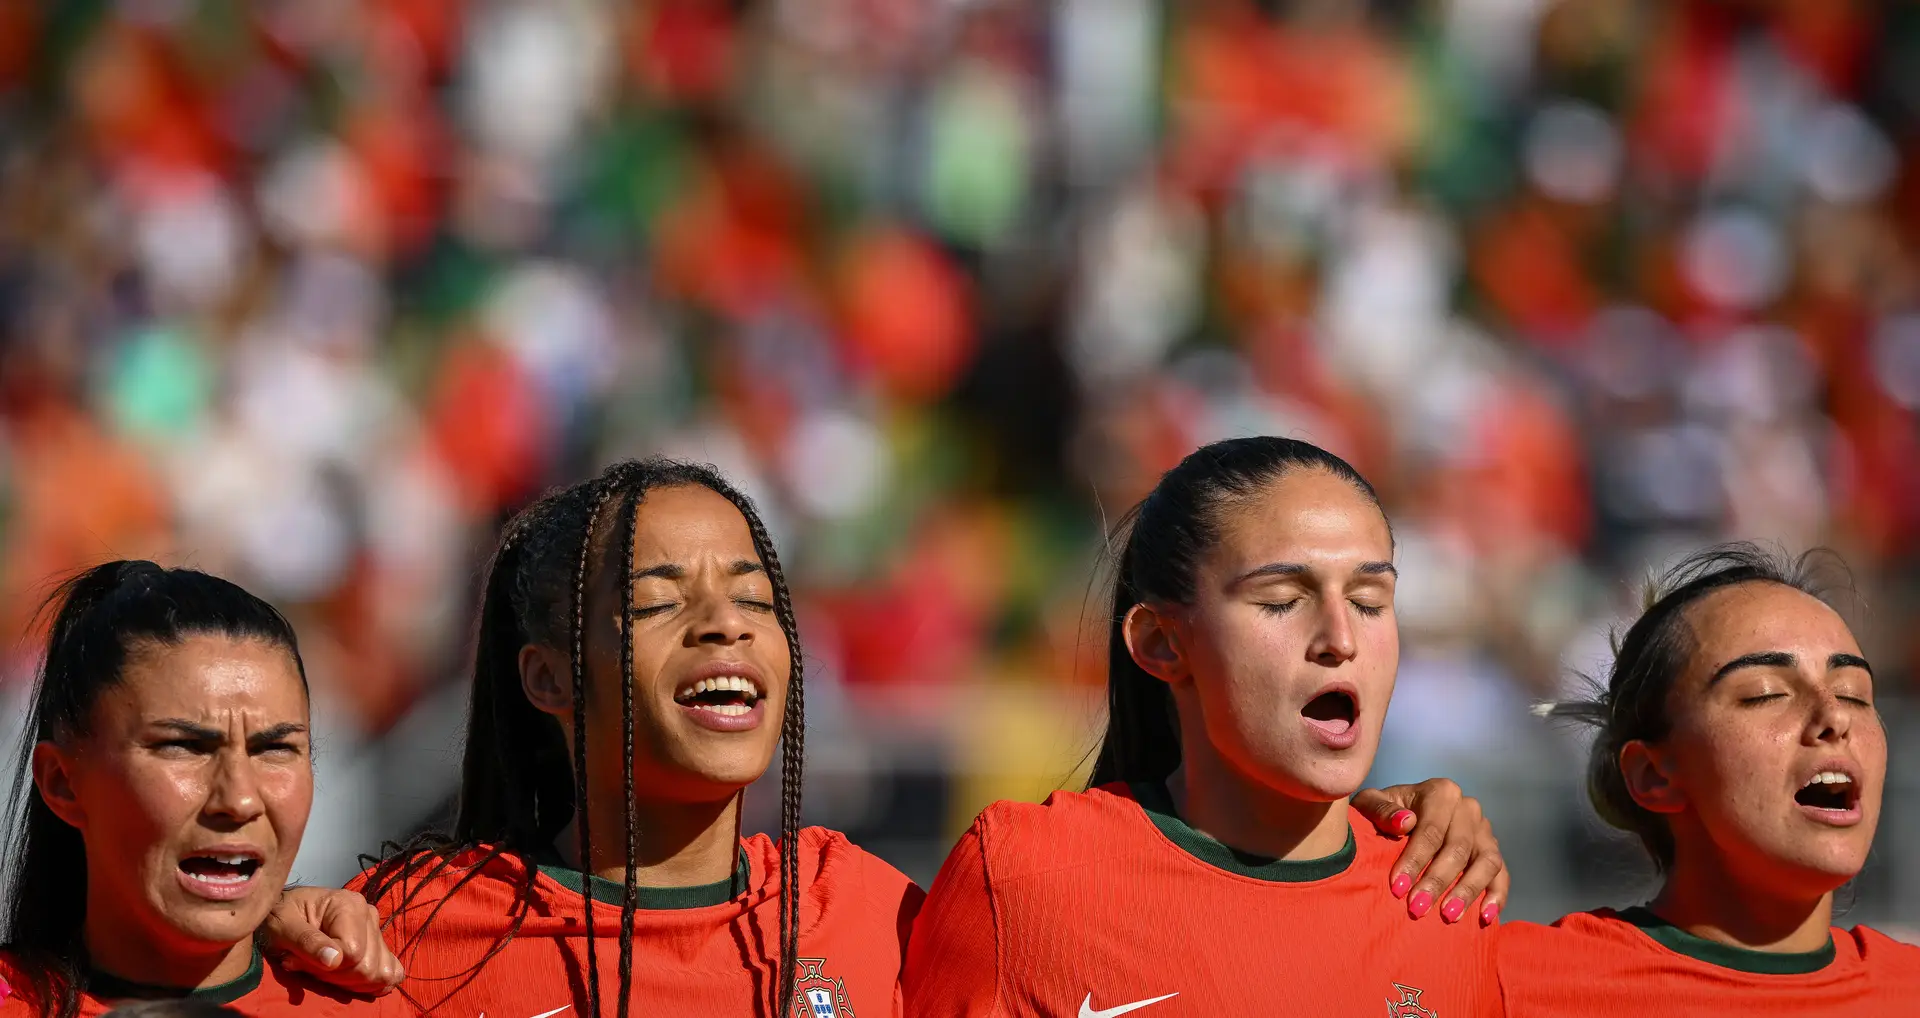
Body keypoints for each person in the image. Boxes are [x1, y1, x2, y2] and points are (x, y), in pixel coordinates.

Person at [265, 455, 1508, 1017]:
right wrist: (259, 923)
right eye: (659, 605)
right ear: (545, 674)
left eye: (757, 602)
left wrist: (1396, 821)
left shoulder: (871, 913)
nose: (724, 631)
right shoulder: (410, 933)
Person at [903, 437, 1504, 1017]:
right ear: (1163, 642)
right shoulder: (1024, 878)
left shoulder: (1447, 902)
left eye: (1370, 601)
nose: (1341, 640)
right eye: (1281, 600)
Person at [1500, 544, 1920, 1013]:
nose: (1834, 716)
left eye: (1855, 694)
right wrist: (1409, 819)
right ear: (1653, 775)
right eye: (1766, 693)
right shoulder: (1516, 983)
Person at [0, 561, 409, 1018]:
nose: (239, 800)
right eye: (184, 746)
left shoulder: (381, 1002)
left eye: (274, 748)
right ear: (62, 782)